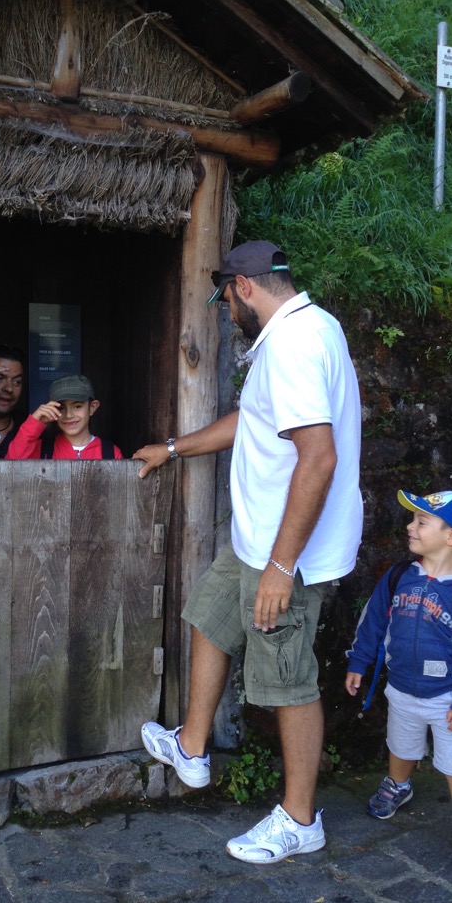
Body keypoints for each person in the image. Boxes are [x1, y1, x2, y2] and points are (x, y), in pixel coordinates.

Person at [133, 239, 362, 864]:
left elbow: (319, 458)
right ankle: (192, 746)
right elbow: (253, 420)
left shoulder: (292, 346)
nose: (228, 314)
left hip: (288, 552)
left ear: (243, 287)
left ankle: (300, 820)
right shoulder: (308, 328)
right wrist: (173, 448)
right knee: (210, 616)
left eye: (226, 301)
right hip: (258, 537)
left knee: (287, 681)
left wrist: (281, 569)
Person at [345, 489, 452, 818]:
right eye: (412, 520)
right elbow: (373, 621)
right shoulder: (399, 576)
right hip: (402, 686)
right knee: (401, 743)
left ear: (450, 537)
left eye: (421, 521)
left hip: (447, 698)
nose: (410, 526)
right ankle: (398, 784)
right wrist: (359, 660)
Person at [5, 374, 122, 460]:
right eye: (61, 407)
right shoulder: (42, 450)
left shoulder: (110, 453)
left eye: (77, 406)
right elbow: (9, 467)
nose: (69, 415)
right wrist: (34, 423)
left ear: (92, 407)